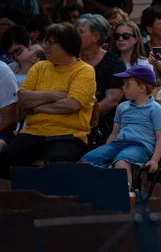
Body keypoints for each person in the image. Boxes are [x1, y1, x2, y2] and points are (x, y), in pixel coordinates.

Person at [0, 24, 95, 176]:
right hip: (33, 132)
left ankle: (52, 200)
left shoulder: (84, 70)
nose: (45, 46)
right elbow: (23, 98)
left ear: (67, 45)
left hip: (68, 134)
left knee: (55, 164)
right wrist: (54, 95)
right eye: (46, 42)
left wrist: (36, 107)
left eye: (51, 43)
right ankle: (19, 198)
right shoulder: (40, 67)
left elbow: (71, 104)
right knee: (5, 159)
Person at [81, 64, 161, 187]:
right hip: (118, 144)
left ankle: (124, 199)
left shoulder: (156, 109)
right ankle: (91, 196)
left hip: (140, 147)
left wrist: (154, 160)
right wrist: (106, 151)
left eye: (127, 85)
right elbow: (115, 133)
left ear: (141, 88)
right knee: (88, 160)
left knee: (121, 163)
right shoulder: (123, 107)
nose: (123, 88)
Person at [77, 13, 126, 140]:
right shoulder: (71, 60)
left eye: (80, 32)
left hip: (101, 125)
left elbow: (111, 100)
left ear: (95, 37)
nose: (75, 36)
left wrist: (83, 119)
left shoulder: (114, 63)